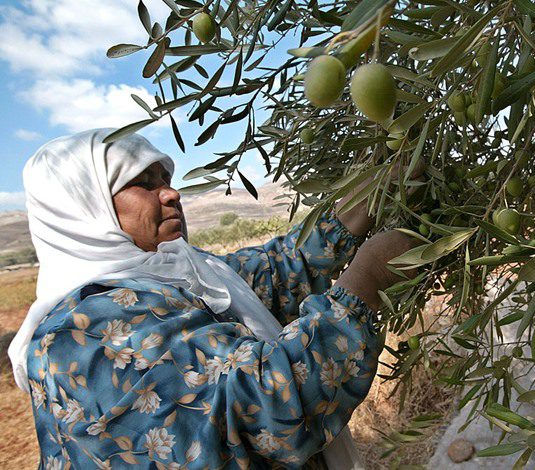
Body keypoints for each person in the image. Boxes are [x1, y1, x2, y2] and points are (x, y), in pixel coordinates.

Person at [8, 128, 423, 469]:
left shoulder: (186, 275)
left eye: (166, 181)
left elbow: (281, 269)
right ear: (83, 209)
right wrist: (368, 277)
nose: (170, 194)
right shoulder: (83, 334)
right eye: (142, 183)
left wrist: (373, 192)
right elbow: (262, 408)